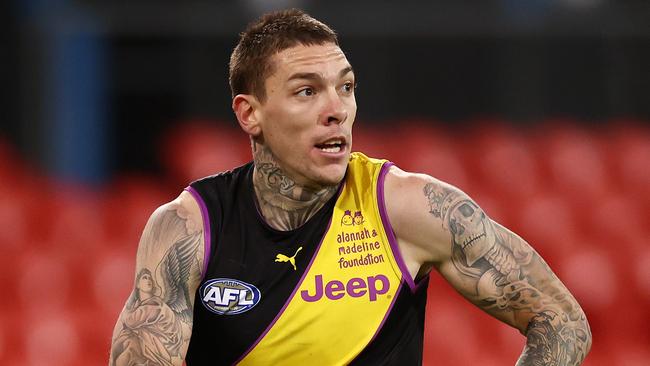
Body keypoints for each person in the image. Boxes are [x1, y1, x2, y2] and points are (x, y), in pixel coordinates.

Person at [109, 8, 591, 365]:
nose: (336, 108)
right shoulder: (189, 227)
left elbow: (562, 322)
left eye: (346, 86)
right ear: (249, 113)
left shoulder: (409, 207)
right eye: (306, 91)